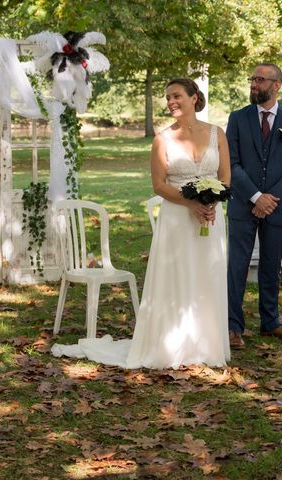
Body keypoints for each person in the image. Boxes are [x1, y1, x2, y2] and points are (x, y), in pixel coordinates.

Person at [52, 78, 231, 369]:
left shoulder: (217, 134)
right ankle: (172, 345)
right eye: (167, 98)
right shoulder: (163, 139)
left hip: (210, 219)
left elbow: (225, 178)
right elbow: (159, 186)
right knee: (176, 277)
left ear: (194, 97)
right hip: (176, 218)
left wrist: (210, 203)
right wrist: (192, 203)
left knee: (206, 276)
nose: (171, 102)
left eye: (176, 96)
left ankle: (205, 345)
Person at [226, 63, 282, 350]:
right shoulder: (237, 119)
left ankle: (270, 323)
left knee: (271, 266)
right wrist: (255, 196)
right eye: (252, 79)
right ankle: (233, 327)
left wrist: (269, 199)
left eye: (260, 80)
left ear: (277, 85)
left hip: (276, 208)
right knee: (236, 266)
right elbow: (231, 164)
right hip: (241, 207)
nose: (253, 84)